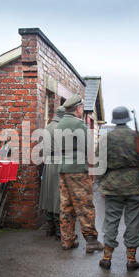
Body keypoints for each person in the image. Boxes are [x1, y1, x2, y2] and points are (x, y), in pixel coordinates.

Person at [97, 106, 139, 271]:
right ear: (127, 120)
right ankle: (131, 259)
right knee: (132, 222)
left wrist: (100, 183)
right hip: (135, 186)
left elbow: (98, 164)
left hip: (112, 186)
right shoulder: (137, 136)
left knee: (111, 221)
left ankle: (106, 257)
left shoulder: (106, 138)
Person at [56, 94, 104, 253]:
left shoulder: (60, 124)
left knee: (66, 206)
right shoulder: (79, 125)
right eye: (81, 107)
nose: (82, 110)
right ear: (77, 109)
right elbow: (88, 150)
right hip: (77, 170)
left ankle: (67, 241)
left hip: (63, 169)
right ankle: (91, 241)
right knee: (85, 205)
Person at [39, 106, 66, 240]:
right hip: (58, 164)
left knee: (49, 196)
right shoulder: (62, 128)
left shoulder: (48, 127)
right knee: (57, 197)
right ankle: (59, 231)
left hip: (48, 164)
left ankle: (50, 228)